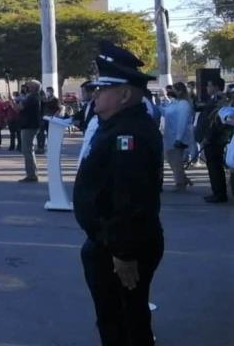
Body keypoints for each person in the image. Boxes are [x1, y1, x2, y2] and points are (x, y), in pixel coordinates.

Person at [73, 41, 164, 346]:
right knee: (116, 315)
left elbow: (130, 199)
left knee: (122, 320)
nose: (95, 94)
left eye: (103, 89)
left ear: (124, 94)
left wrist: (123, 253)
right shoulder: (117, 125)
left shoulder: (129, 134)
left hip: (120, 247)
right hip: (109, 242)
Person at [194, 76, 232, 203]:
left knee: (215, 167)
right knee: (212, 167)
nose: (207, 88)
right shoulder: (213, 99)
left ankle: (219, 194)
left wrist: (207, 138)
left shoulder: (220, 100)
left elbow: (214, 123)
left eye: (209, 85)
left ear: (216, 87)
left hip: (214, 140)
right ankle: (216, 192)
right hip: (210, 139)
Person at [162, 82, 194, 192]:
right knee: (169, 158)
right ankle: (183, 179)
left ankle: (180, 183)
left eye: (174, 89)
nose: (171, 91)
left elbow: (182, 122)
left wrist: (178, 139)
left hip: (177, 138)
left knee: (176, 161)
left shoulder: (184, 104)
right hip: (169, 136)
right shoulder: (174, 103)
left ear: (180, 91)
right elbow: (166, 113)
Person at [17, 80, 43, 182]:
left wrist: (18, 102)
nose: (26, 87)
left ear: (33, 87)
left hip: (29, 126)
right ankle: (32, 173)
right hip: (29, 125)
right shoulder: (33, 97)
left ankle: (31, 175)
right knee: (28, 150)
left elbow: (20, 107)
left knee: (27, 150)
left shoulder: (32, 97)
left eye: (29, 86)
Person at [38, 87, 60, 154]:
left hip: (51, 120)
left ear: (52, 91)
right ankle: (41, 148)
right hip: (43, 119)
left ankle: (51, 148)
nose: (48, 93)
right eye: (47, 91)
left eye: (49, 91)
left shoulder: (55, 100)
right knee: (41, 134)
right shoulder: (45, 100)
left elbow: (58, 109)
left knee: (50, 135)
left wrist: (54, 117)